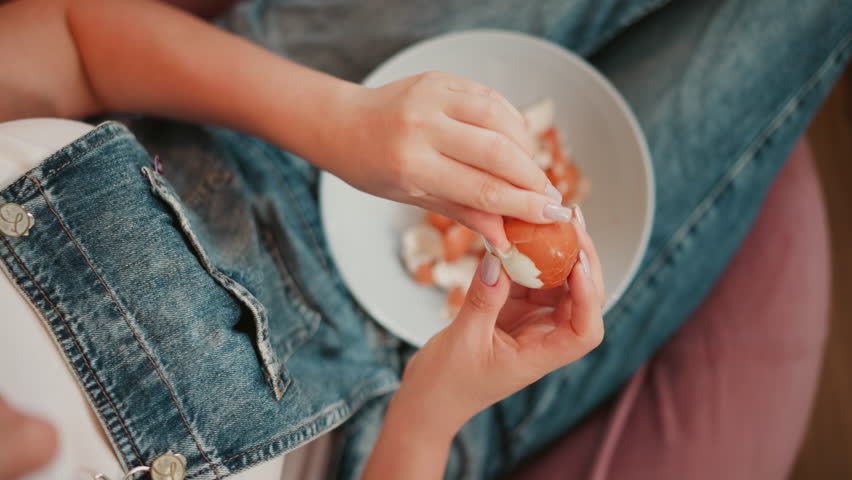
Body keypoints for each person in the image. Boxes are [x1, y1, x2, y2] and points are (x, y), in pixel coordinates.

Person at [0, 0, 848, 479]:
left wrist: (340, 118)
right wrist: (432, 408)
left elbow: (67, 36)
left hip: (267, 114)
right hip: (389, 398)